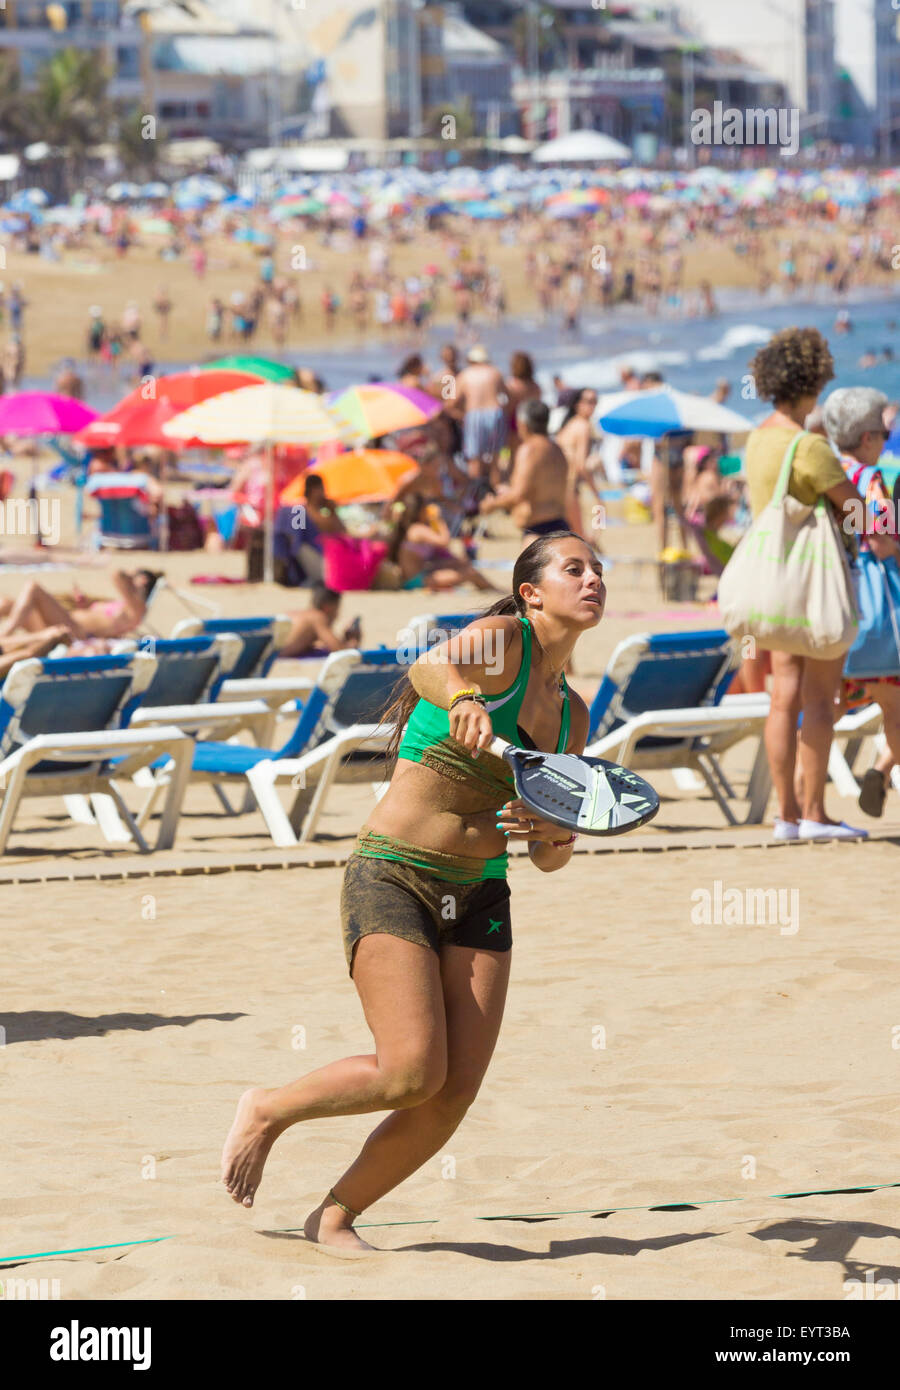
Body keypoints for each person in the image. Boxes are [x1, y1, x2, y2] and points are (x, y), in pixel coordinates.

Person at [220, 532, 602, 1248]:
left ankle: (334, 1216)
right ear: (531, 593)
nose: (592, 580)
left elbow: (550, 858)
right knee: (408, 1072)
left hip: (483, 892)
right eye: (573, 569)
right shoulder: (503, 643)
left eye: (597, 571)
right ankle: (268, 1108)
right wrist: (463, 698)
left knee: (452, 1093)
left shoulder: (573, 714)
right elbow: (429, 664)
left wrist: (554, 837)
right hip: (395, 872)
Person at [744, 327, 894, 842]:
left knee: (782, 695)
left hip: (777, 582)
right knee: (821, 699)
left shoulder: (758, 438)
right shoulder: (808, 445)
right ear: (813, 380)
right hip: (817, 584)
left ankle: (784, 815)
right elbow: (857, 513)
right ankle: (814, 812)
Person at [822, 386, 900, 818]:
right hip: (877, 607)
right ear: (868, 437)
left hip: (837, 597)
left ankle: (802, 793)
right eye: (885, 434)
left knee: (830, 703)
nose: (886, 441)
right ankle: (883, 768)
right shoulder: (871, 480)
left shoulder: (831, 470)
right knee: (894, 705)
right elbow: (882, 542)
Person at [480, 400, 569, 540]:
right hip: (560, 525)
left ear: (523, 424)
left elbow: (519, 494)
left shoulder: (529, 449)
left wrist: (491, 504)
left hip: (539, 530)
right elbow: (539, 489)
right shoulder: (557, 449)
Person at [0, 568, 162, 642]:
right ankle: (6, 634)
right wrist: (83, 603)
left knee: (33, 586)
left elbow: (116, 575)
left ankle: (4, 636)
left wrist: (131, 576)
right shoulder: (121, 604)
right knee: (7, 603)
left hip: (73, 633)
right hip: (62, 623)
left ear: (143, 581)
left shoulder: (138, 609)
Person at [388, 492, 497, 593]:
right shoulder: (417, 529)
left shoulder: (411, 529)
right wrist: (438, 519)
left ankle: (494, 589)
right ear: (420, 511)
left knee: (460, 564)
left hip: (418, 577)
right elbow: (445, 541)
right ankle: (497, 591)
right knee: (471, 574)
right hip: (418, 581)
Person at [554, 388, 606, 540]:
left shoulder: (570, 424)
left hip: (557, 484)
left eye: (595, 401)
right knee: (580, 534)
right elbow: (581, 465)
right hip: (568, 485)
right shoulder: (583, 426)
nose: (593, 406)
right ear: (577, 404)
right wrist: (596, 493)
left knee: (569, 534)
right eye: (589, 402)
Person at [455, 346, 508, 481]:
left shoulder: (465, 374)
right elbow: (508, 398)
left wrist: (460, 416)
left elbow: (452, 402)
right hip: (496, 413)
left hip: (474, 415)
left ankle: (476, 493)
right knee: (495, 457)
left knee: (474, 458)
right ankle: (496, 490)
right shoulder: (495, 372)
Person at [281, 585, 364, 658]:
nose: (337, 616)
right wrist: (353, 641)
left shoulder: (295, 614)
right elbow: (340, 651)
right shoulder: (317, 617)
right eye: (336, 610)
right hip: (279, 655)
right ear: (327, 608)